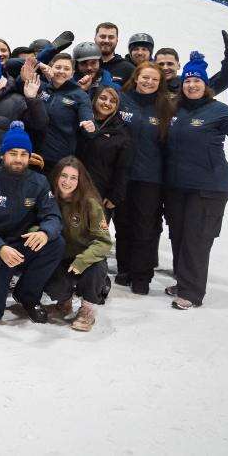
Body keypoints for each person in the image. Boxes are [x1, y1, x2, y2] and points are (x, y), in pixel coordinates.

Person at [163, 53, 228, 310]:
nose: (191, 85)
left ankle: (191, 292)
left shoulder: (219, 110)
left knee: (197, 238)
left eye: (197, 81)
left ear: (205, 85)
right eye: (188, 80)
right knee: (178, 235)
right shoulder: (174, 108)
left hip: (209, 187)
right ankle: (183, 281)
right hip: (177, 185)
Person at [0, 121, 65, 324]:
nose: (18, 159)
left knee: (56, 243)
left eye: (23, 154)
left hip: (21, 244)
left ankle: (28, 294)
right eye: (13, 153)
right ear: (3, 155)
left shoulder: (39, 182)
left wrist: (45, 232)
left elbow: (53, 216)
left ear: (30, 157)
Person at [114, 62, 173, 293]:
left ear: (160, 84)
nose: (149, 82)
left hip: (150, 179)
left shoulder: (166, 107)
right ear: (136, 77)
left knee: (145, 227)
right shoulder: (122, 99)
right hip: (122, 175)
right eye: (145, 77)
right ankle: (124, 269)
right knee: (123, 224)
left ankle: (141, 276)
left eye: (154, 80)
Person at [44, 157, 112, 332]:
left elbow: (104, 242)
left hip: (87, 258)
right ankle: (64, 304)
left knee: (96, 268)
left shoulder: (90, 203)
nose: (67, 182)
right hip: (61, 257)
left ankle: (87, 309)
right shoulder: (48, 198)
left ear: (80, 180)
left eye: (73, 178)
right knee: (53, 284)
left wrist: (82, 260)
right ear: (56, 177)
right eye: (64, 176)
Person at [76, 81, 131, 219]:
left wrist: (115, 196)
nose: (107, 103)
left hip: (101, 192)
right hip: (73, 187)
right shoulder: (81, 119)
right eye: (103, 98)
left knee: (95, 237)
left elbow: (123, 167)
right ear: (94, 98)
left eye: (113, 101)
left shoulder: (121, 131)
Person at [37, 53, 96, 170]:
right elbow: (16, 67)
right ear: (50, 68)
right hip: (34, 155)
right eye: (58, 67)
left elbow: (87, 119)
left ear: (72, 73)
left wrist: (89, 126)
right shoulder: (41, 87)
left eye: (66, 68)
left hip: (59, 159)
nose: (61, 71)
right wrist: (39, 65)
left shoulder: (80, 95)